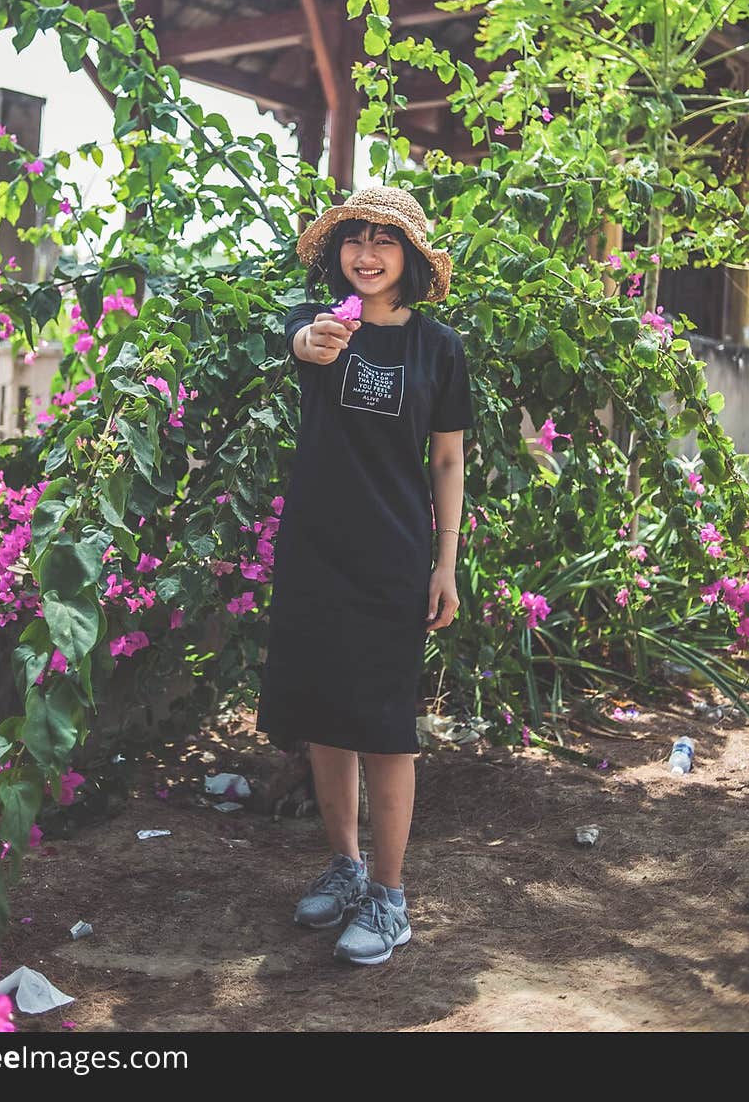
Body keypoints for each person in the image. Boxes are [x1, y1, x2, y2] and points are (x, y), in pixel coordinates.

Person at [255, 184, 474, 966]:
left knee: (385, 729)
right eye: (355, 238)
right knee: (324, 718)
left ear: (410, 257)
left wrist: (445, 563)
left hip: (392, 556)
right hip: (315, 547)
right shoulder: (316, 324)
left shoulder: (439, 348)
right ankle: (346, 868)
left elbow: (447, 459)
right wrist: (312, 341)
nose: (367, 253)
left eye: (386, 240)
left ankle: (390, 898)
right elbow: (301, 345)